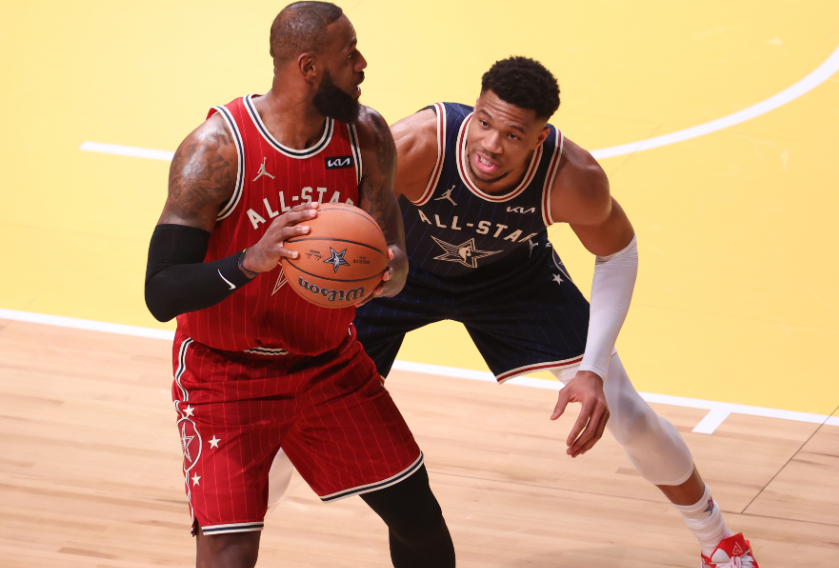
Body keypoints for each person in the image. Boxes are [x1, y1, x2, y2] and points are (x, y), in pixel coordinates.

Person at [270, 56, 758, 568]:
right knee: (293, 418)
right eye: (484, 122)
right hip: (402, 271)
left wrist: (593, 367)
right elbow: (339, 218)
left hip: (513, 278)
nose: (490, 144)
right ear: (474, 109)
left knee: (627, 412)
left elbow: (618, 253)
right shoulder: (418, 144)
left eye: (512, 135)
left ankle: (719, 540)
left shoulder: (572, 178)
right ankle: (235, 539)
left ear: (539, 139)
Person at [143, 3, 455, 567]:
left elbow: (396, 257)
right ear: (309, 67)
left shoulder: (366, 135)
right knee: (231, 554)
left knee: (419, 520)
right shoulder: (216, 149)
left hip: (327, 364)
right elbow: (162, 291)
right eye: (349, 53)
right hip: (225, 374)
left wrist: (384, 274)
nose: (362, 63)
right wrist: (250, 261)